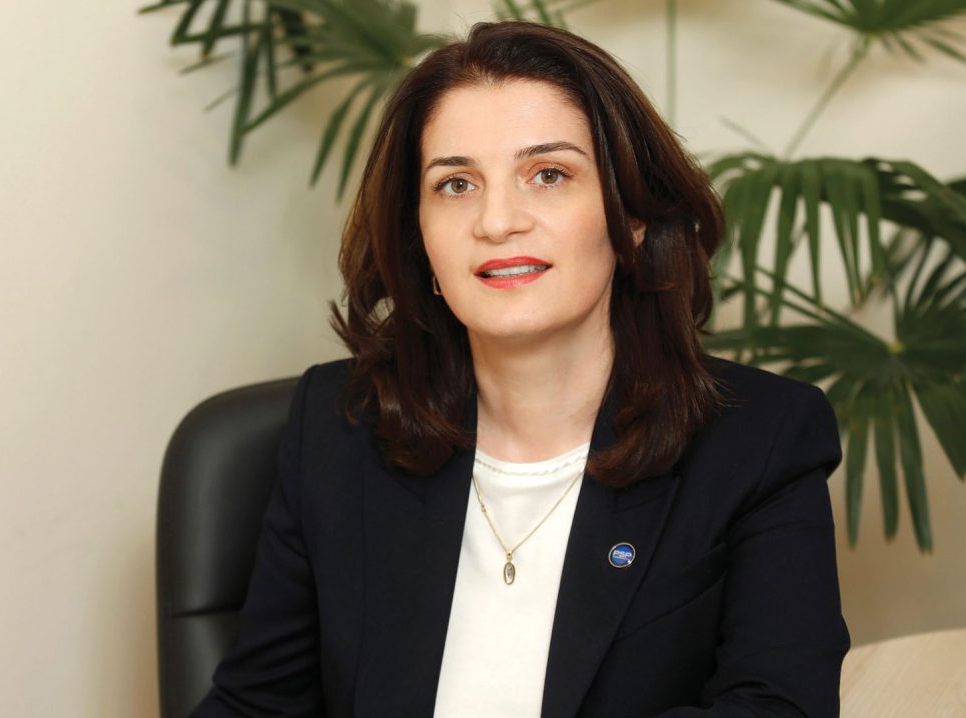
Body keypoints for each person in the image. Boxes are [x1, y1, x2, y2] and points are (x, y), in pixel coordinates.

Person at [192, 20, 849, 717]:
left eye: (548, 175)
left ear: (630, 217)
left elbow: (778, 707)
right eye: (456, 184)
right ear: (420, 239)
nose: (497, 221)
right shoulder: (340, 427)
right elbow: (253, 708)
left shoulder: (760, 441)